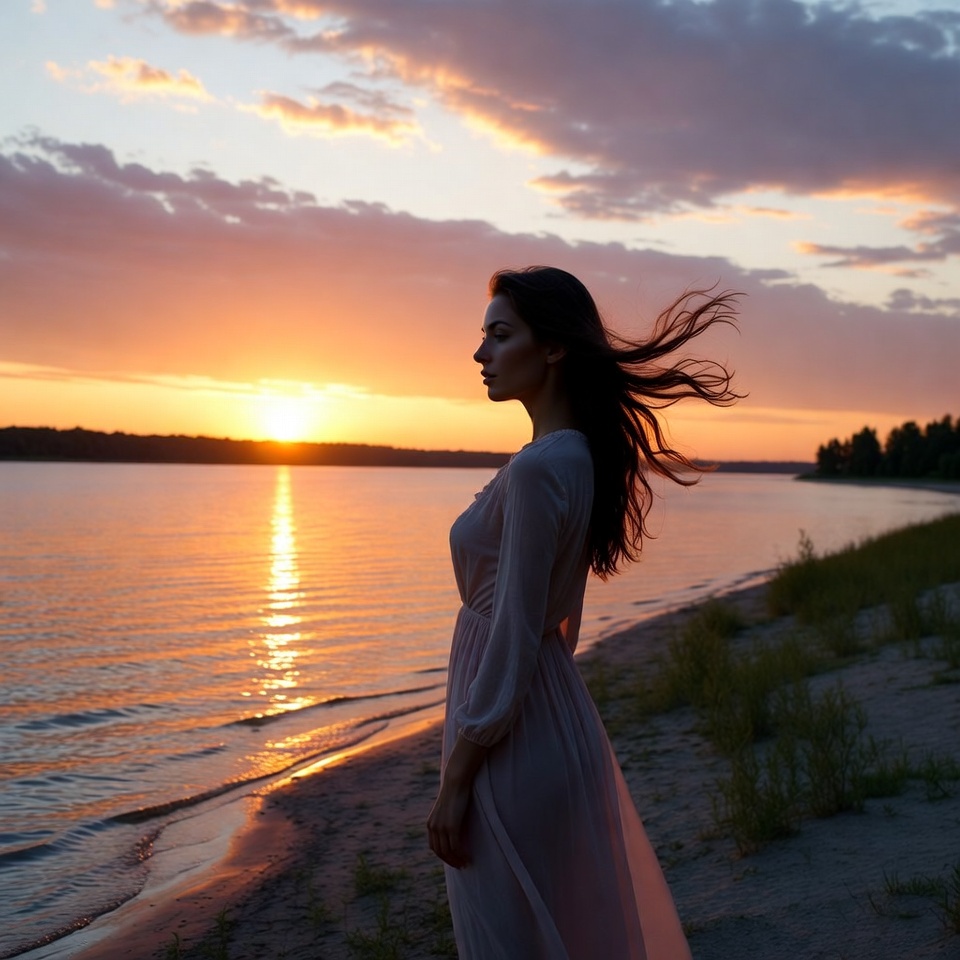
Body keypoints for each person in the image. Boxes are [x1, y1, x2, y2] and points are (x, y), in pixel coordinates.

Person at [427, 265, 741, 959]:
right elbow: (553, 626)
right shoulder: (568, 458)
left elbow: (514, 633)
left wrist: (456, 778)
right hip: (545, 717)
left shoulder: (543, 469)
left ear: (554, 348)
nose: (481, 354)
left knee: (511, 942)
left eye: (499, 335)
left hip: (510, 738)